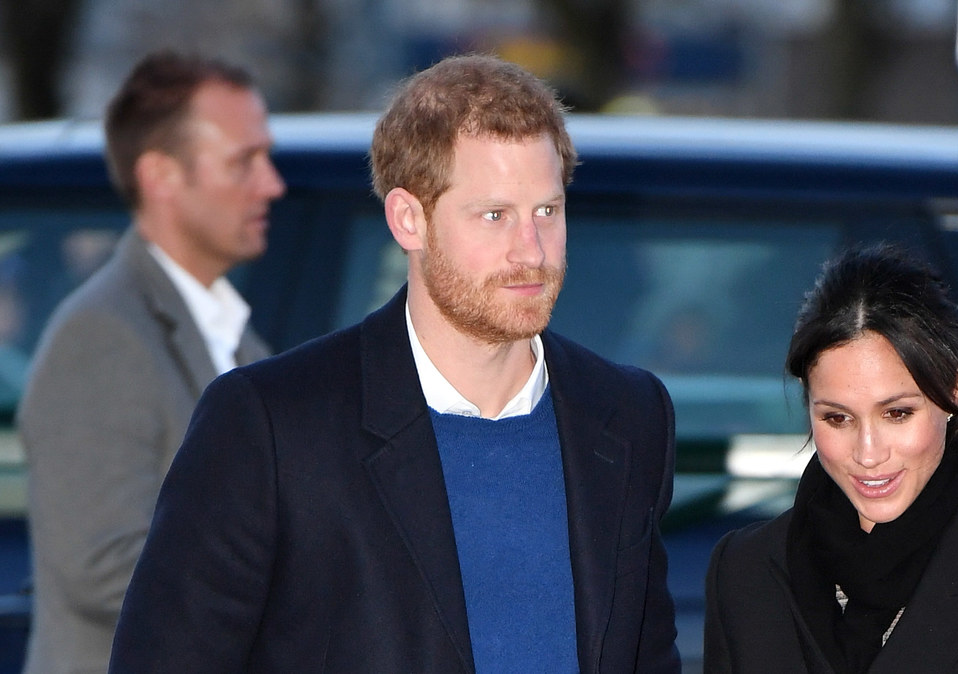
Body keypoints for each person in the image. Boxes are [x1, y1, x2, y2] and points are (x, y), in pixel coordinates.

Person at [108, 54, 681, 673]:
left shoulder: (626, 414)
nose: (531, 250)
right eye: (495, 215)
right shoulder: (272, 425)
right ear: (409, 219)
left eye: (547, 210)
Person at [703, 244, 958, 673]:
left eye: (897, 413)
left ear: (953, 393)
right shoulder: (745, 570)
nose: (869, 453)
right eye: (837, 418)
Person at [18, 51, 282, 674]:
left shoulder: (238, 339)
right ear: (162, 175)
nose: (271, 183)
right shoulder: (102, 334)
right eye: (244, 161)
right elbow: (101, 565)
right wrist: (294, 583)